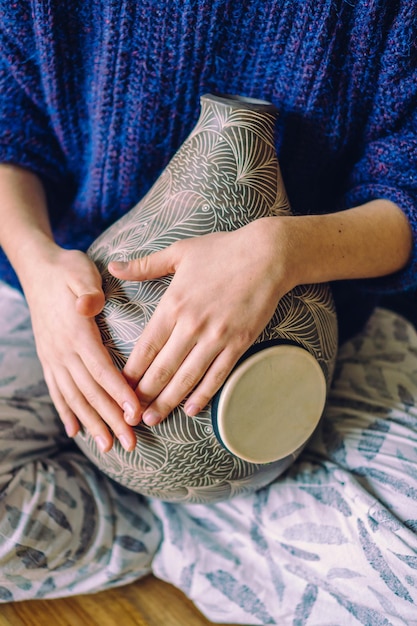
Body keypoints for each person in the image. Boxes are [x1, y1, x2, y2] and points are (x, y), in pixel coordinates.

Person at [0, 1, 416, 623]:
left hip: (334, 312)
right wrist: (37, 266)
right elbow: (10, 133)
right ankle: (173, 521)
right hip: (59, 306)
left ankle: (205, 516)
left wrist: (283, 251)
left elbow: (406, 184)